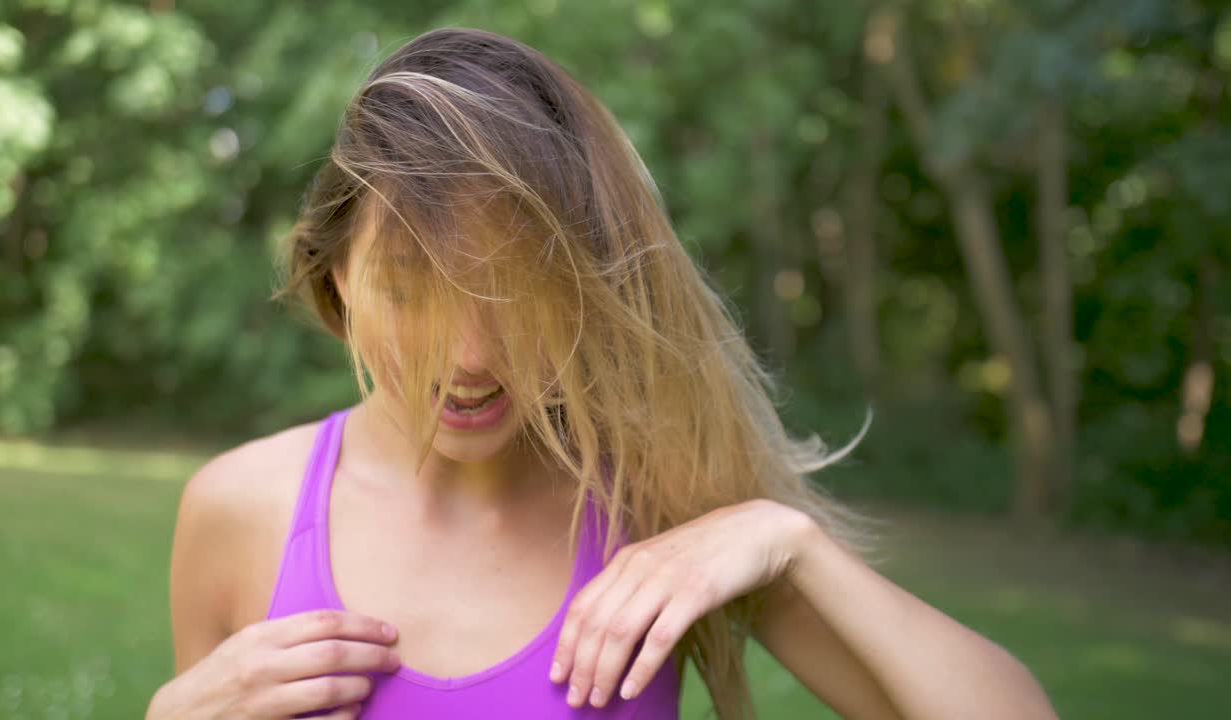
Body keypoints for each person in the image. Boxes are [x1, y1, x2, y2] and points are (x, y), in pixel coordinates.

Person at [146, 27, 1057, 720]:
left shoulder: (656, 501)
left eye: (519, 290)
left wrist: (790, 542)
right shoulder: (239, 510)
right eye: (412, 287)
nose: (468, 358)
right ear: (336, 274)